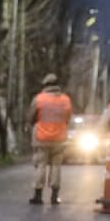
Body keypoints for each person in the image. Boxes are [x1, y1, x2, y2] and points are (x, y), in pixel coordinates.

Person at [27, 72, 74, 205]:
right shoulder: (66, 99)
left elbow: (31, 117)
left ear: (45, 85)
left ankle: (38, 195)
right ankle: (54, 196)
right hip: (59, 138)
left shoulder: (39, 99)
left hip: (42, 138)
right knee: (56, 166)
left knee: (41, 165)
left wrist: (32, 126)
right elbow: (68, 117)